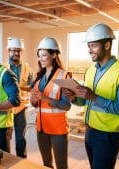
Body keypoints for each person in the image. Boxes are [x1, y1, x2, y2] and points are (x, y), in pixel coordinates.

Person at [63, 23, 119, 169]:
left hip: (108, 135)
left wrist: (95, 97)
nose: (90, 50)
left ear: (107, 45)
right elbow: (86, 101)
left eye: (94, 46)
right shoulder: (90, 70)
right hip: (89, 130)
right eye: (89, 46)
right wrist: (74, 97)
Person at [30, 36, 71, 169]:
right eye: (39, 55)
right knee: (46, 164)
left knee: (61, 166)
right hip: (41, 127)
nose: (40, 59)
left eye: (44, 55)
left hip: (57, 128)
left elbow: (66, 105)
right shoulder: (38, 77)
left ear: (54, 54)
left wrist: (46, 98)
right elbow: (34, 104)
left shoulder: (64, 75)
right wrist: (34, 100)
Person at [5, 37, 33, 158]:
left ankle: (22, 160)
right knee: (6, 136)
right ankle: (7, 161)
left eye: (19, 51)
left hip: (21, 108)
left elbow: (32, 86)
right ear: (9, 51)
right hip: (7, 107)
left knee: (21, 137)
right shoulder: (3, 67)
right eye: (13, 50)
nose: (16, 53)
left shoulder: (27, 68)